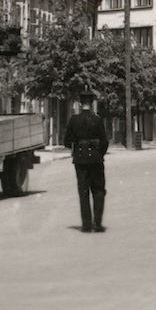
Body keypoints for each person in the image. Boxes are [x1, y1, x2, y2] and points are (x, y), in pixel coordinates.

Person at [64, 97, 108, 233]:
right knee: (99, 190)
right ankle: (98, 224)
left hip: (80, 160)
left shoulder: (74, 120)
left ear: (79, 104)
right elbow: (105, 141)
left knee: (83, 192)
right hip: (96, 159)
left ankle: (86, 225)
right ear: (92, 103)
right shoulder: (98, 119)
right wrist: (100, 153)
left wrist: (77, 145)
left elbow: (66, 141)